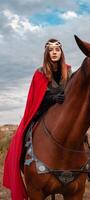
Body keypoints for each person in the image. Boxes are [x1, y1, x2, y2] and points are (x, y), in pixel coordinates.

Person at [3, 38, 72, 200]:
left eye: (57, 49)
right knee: (25, 134)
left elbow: (72, 91)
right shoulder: (40, 72)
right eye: (51, 50)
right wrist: (53, 98)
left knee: (79, 131)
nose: (54, 52)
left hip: (63, 112)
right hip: (43, 112)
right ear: (47, 53)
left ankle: (87, 165)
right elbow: (37, 97)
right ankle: (25, 162)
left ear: (61, 53)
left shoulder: (68, 71)